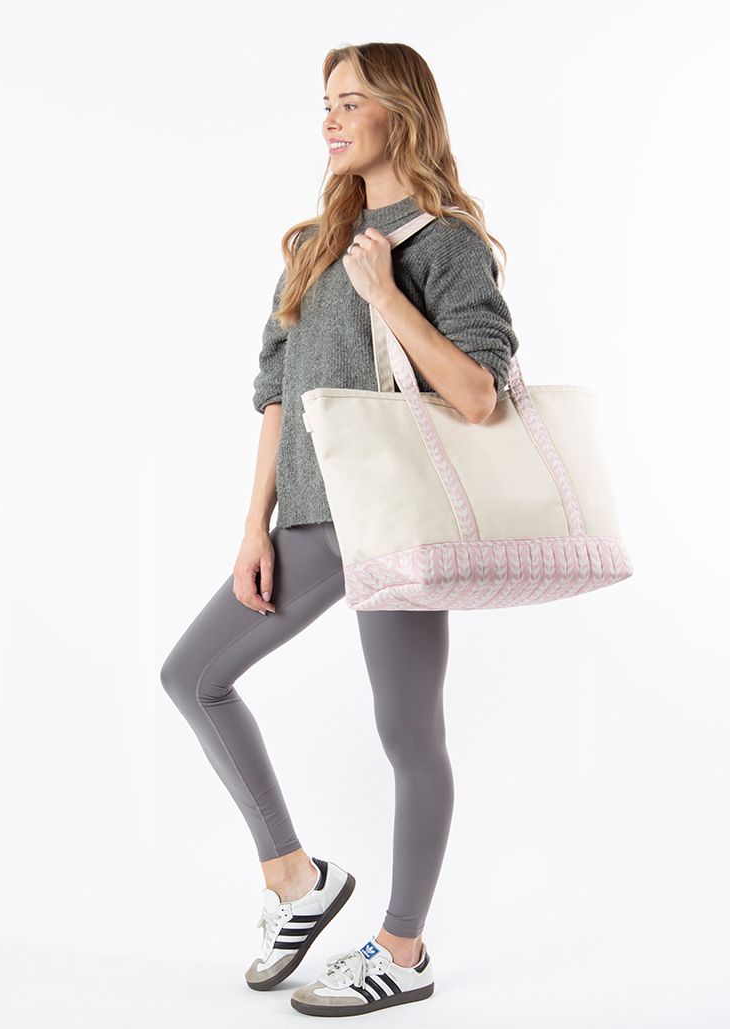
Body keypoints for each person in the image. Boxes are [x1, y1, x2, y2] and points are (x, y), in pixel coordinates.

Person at [160, 41, 520, 1017]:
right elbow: (276, 394)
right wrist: (254, 526)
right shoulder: (312, 246)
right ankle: (297, 880)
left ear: (401, 113)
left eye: (350, 101)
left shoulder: (443, 243)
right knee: (194, 676)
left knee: (408, 732)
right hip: (314, 519)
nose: (329, 117)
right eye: (325, 101)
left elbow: (479, 396)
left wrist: (387, 296)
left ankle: (402, 948)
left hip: (399, 518)